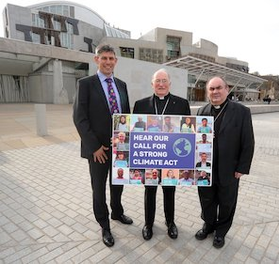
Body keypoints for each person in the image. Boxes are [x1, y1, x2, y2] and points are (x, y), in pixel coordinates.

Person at [73, 44, 133, 248]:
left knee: (118, 183)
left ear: (116, 61)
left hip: (120, 147)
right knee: (98, 188)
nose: (108, 62)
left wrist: (127, 142)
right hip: (98, 149)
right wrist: (94, 147)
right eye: (104, 58)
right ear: (96, 60)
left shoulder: (122, 85)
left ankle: (117, 212)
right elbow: (80, 118)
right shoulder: (86, 84)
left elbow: (126, 116)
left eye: (111, 58)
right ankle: (104, 224)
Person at [195, 76, 254, 249]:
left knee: (227, 202)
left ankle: (221, 232)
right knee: (206, 199)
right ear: (208, 92)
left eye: (218, 88)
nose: (215, 92)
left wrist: (242, 167)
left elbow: (248, 141)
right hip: (205, 166)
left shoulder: (241, 111)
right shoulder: (201, 112)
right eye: (211, 89)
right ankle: (208, 225)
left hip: (229, 168)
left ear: (227, 89)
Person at [133, 68, 191, 240]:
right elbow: (135, 134)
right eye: (157, 81)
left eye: (164, 81)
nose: (161, 84)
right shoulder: (140, 105)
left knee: (169, 190)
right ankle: (148, 224)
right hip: (150, 158)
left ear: (169, 84)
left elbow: (188, 133)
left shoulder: (182, 104)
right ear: (152, 84)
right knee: (149, 191)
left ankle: (170, 222)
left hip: (171, 159)